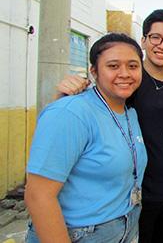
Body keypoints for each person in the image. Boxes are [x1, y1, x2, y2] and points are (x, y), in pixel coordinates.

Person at [56, 9, 163, 242]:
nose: (162, 45)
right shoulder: (125, 83)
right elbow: (85, 107)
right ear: (144, 41)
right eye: (155, 37)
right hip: (131, 199)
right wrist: (64, 93)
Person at [25, 33, 147, 242]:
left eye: (133, 66)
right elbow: (38, 196)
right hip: (79, 234)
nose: (125, 73)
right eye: (113, 66)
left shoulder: (129, 114)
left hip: (123, 226)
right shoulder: (70, 112)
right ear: (94, 71)